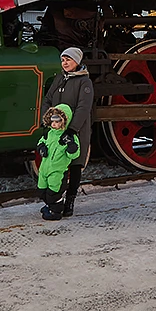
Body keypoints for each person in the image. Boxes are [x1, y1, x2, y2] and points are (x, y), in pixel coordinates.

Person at [40, 46, 94, 216]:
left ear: (77, 61)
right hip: (56, 129)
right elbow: (48, 99)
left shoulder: (84, 82)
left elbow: (83, 108)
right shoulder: (59, 79)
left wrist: (72, 130)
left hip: (76, 129)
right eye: (63, 60)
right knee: (56, 164)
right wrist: (47, 121)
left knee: (75, 164)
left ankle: (70, 201)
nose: (65, 63)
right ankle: (56, 201)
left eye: (68, 60)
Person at [36, 104, 80, 220]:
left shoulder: (69, 136)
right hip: (44, 168)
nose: (54, 124)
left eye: (57, 121)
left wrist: (71, 145)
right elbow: (41, 141)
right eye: (52, 121)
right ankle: (49, 205)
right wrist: (41, 148)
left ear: (64, 121)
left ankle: (56, 212)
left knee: (54, 193)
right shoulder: (49, 133)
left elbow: (74, 154)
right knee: (42, 190)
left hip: (58, 171)